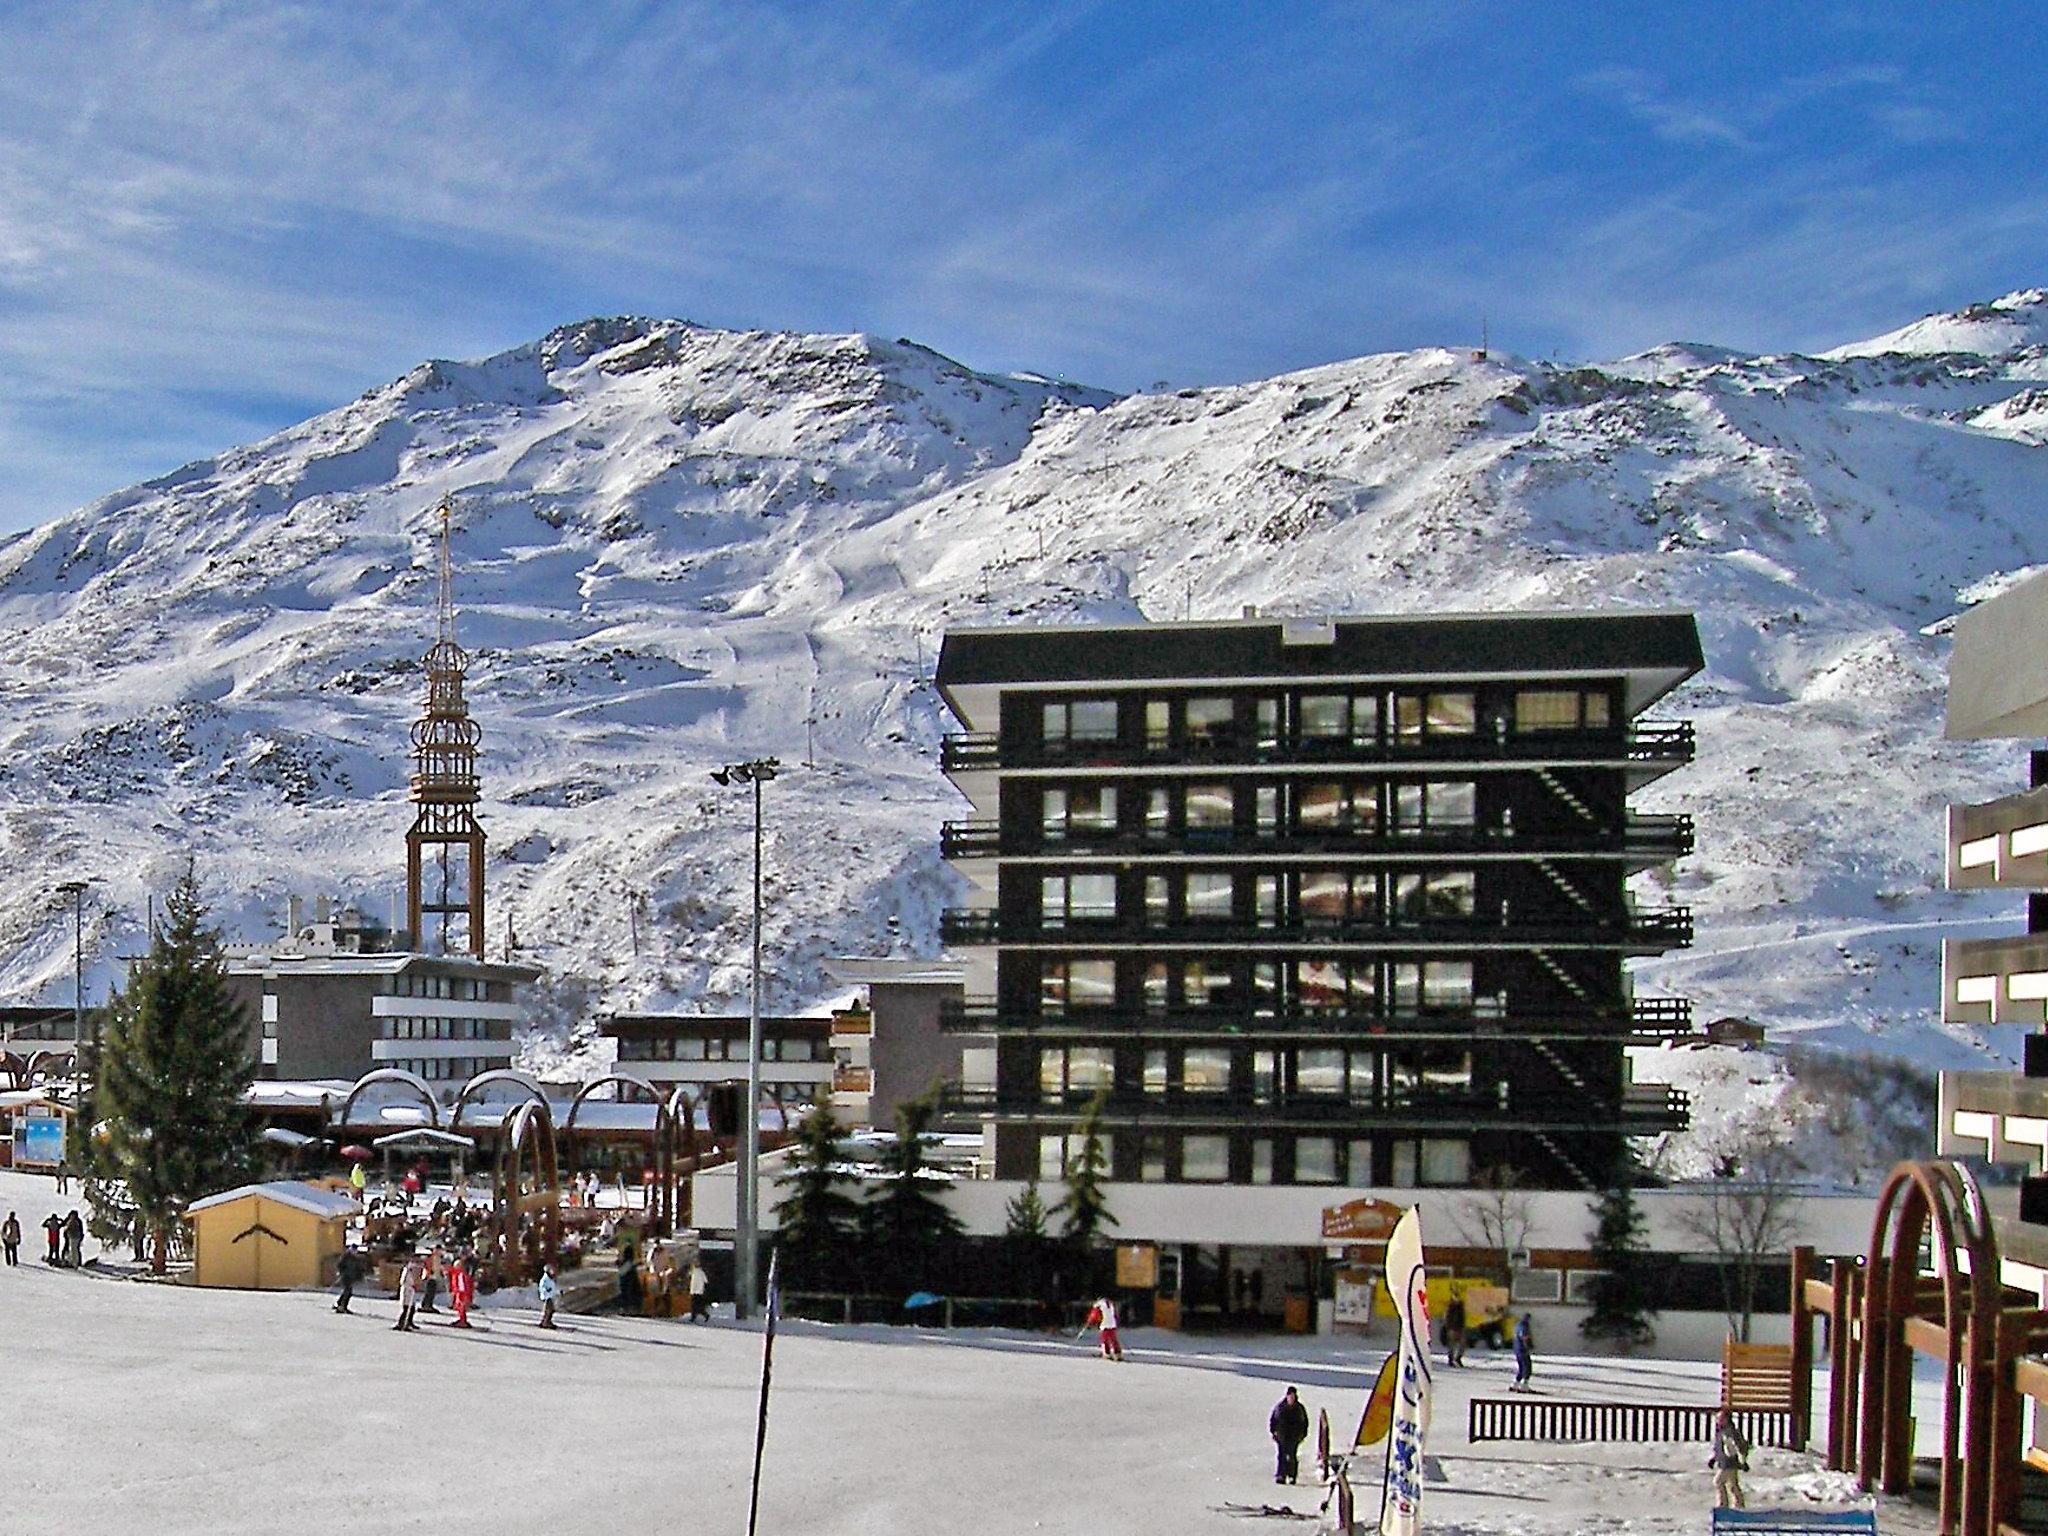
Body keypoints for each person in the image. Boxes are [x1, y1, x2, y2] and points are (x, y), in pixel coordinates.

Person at [1710, 1408, 1752, 1508]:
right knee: (1732, 1485)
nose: (1718, 1421)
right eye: (1717, 1419)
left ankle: (1723, 1504)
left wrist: (1743, 1461)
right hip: (1724, 1462)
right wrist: (1714, 1458)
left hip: (1729, 1463)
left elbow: (1736, 1447)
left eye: (1720, 1419)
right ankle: (1739, 1504)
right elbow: (1719, 1448)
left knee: (1718, 1482)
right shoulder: (1721, 1432)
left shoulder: (1730, 1433)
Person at [1269, 1386, 1310, 1485]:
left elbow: (1304, 1422)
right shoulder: (1280, 1407)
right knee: (1281, 1455)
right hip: (1282, 1435)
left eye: (1293, 1396)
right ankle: (1281, 1475)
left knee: (1292, 1456)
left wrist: (1303, 1434)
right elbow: (1273, 1420)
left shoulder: (1299, 1408)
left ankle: (1292, 1476)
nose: (1291, 1398)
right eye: (1290, 1396)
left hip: (1294, 1436)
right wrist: (1273, 1431)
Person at [1084, 1295, 1123, 1362]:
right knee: (1113, 1339)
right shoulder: (1111, 1304)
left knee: (1105, 1340)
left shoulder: (1098, 1305)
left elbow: (1094, 1315)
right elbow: (1115, 1315)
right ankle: (1117, 1353)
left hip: (1104, 1324)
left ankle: (1107, 1353)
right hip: (1112, 1324)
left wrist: (1090, 1322)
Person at [392, 1255, 422, 1332]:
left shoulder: (416, 1268)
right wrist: (411, 1284)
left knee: (412, 1307)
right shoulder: (408, 1269)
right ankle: (401, 1323)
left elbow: (418, 1278)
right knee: (406, 1307)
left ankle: (409, 1321)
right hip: (407, 1289)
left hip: (412, 1289)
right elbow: (403, 1280)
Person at [448, 1251, 475, 1329]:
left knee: (461, 1307)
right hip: (459, 1292)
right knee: (459, 1308)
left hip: (462, 1293)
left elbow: (463, 1285)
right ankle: (462, 1319)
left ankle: (462, 1321)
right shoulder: (456, 1273)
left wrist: (463, 1295)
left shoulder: (461, 1275)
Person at [1510, 1312, 1535, 1392]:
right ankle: (1524, 1386)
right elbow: (1524, 1336)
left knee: (1521, 1368)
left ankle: (1515, 1384)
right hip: (1523, 1349)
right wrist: (1529, 1345)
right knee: (1527, 1368)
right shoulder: (1524, 1326)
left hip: (1517, 1349)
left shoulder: (1517, 1325)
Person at [1442, 1293, 1467, 1368]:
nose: (1457, 1299)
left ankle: (1458, 1358)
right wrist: (1448, 1327)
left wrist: (1462, 1326)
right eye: (1455, 1297)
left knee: (1462, 1344)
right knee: (1451, 1345)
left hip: (1459, 1328)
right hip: (1452, 1328)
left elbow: (1463, 1317)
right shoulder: (1450, 1306)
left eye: (1458, 1297)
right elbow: (1447, 1317)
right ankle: (1451, 1359)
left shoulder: (1461, 1307)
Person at [333, 1248, 361, 1314]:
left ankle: (339, 1304)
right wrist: (340, 1273)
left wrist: (361, 1273)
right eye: (354, 1251)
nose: (355, 1252)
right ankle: (342, 1307)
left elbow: (358, 1268)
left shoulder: (355, 1259)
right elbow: (339, 1265)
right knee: (347, 1292)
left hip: (351, 1277)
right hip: (345, 1277)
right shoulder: (345, 1257)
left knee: (348, 1292)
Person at [538, 1263, 561, 1330]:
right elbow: (542, 1287)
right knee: (549, 1310)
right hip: (546, 1296)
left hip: (550, 1296)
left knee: (550, 1310)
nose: (553, 1271)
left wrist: (559, 1292)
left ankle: (545, 1321)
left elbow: (553, 1288)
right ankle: (546, 1322)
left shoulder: (551, 1279)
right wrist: (546, 1290)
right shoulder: (545, 1279)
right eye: (551, 1270)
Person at [419, 1249, 443, 1314]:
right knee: (429, 1291)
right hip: (430, 1277)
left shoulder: (438, 1258)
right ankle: (426, 1305)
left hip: (435, 1277)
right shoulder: (432, 1257)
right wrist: (430, 1272)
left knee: (432, 1291)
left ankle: (429, 1304)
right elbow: (427, 1265)